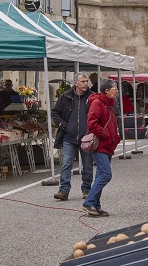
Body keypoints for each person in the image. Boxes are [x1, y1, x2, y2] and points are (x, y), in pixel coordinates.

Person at [51, 72, 93, 201]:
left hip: (86, 138)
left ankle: (86, 189)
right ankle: (63, 190)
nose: (86, 84)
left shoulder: (92, 97)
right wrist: (64, 126)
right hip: (69, 137)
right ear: (75, 83)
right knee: (66, 163)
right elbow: (55, 112)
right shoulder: (65, 96)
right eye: (83, 81)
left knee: (87, 165)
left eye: (87, 81)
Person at [82, 79, 121, 217]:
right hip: (99, 145)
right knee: (106, 174)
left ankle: (96, 206)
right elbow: (91, 123)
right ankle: (88, 203)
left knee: (100, 175)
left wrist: (115, 138)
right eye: (114, 88)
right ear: (106, 90)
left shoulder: (109, 105)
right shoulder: (98, 103)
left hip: (107, 144)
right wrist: (105, 135)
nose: (116, 91)